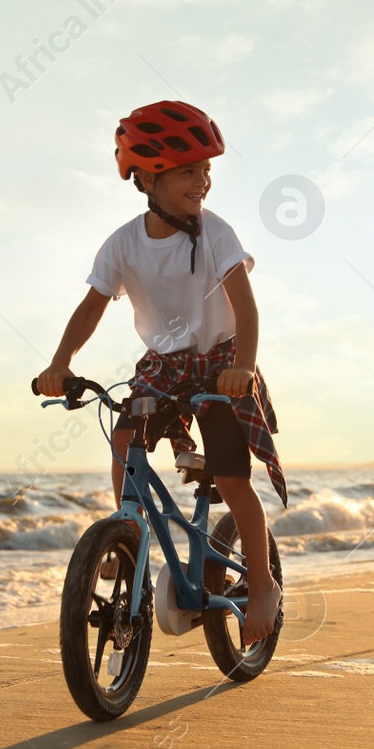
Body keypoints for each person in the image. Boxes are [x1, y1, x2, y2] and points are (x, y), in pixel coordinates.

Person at [35, 99, 288, 647]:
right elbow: (92, 306)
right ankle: (125, 532)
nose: (202, 182)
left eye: (206, 172)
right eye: (189, 171)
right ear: (148, 176)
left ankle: (263, 582)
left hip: (222, 358)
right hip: (164, 365)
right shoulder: (123, 242)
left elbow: (246, 309)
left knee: (229, 474)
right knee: (124, 437)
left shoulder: (215, 232)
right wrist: (61, 363)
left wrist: (243, 366)